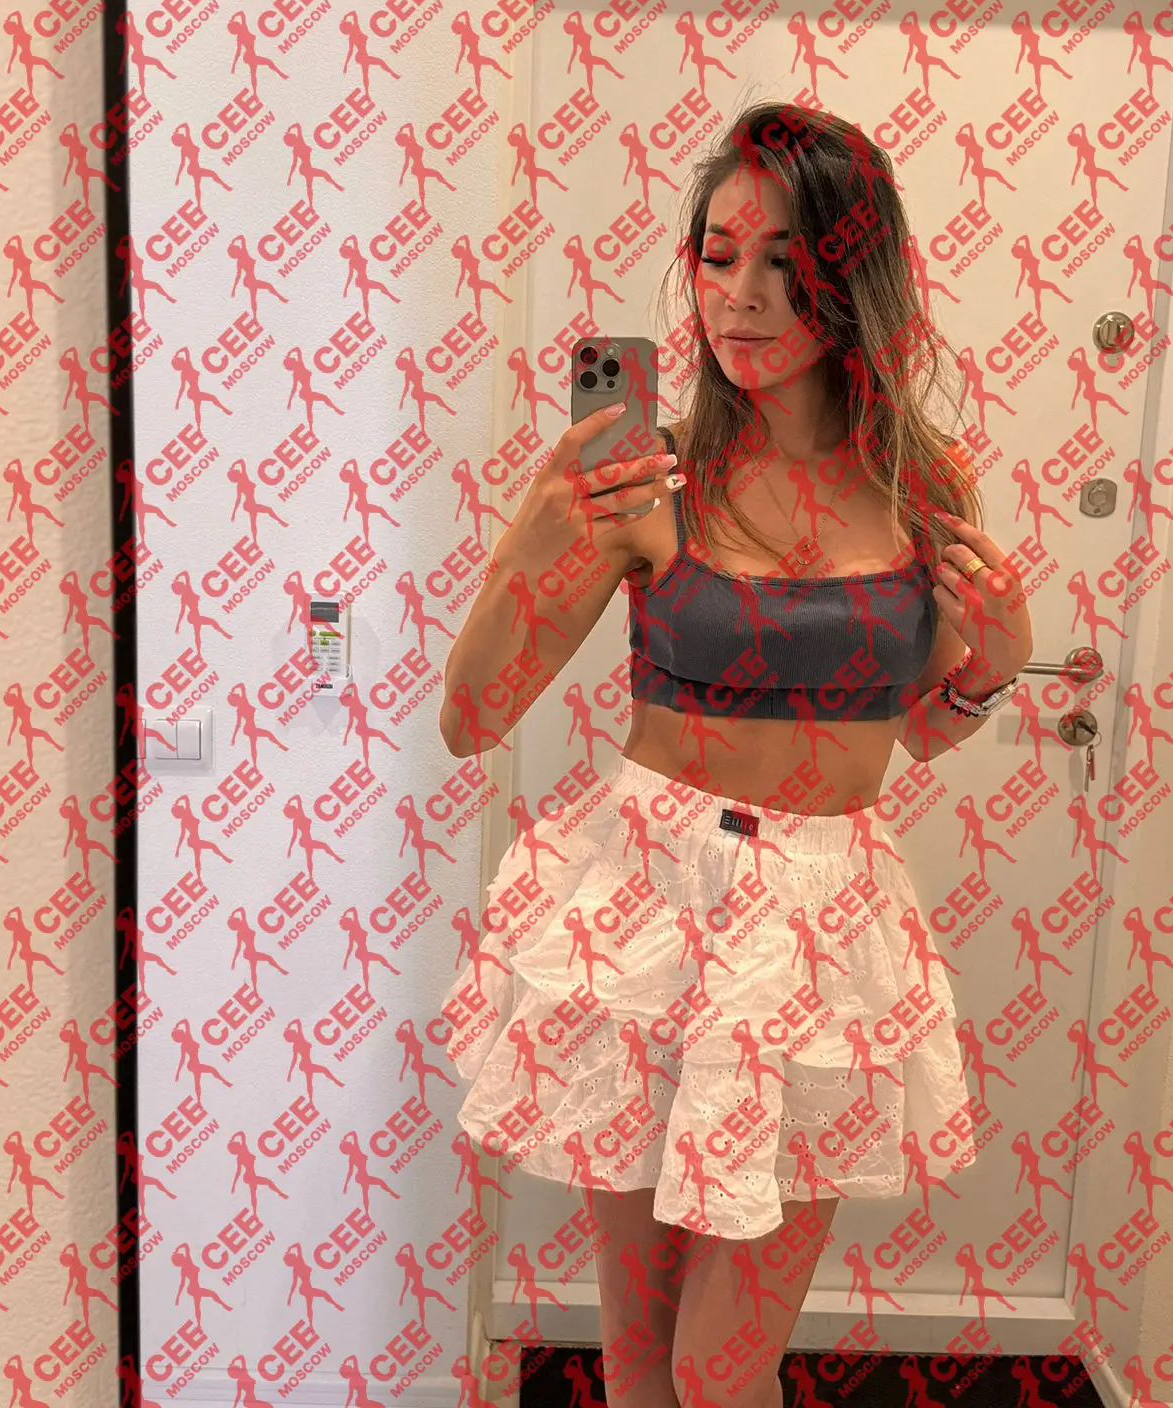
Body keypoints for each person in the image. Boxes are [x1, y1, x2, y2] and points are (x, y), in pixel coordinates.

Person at [436, 101, 1033, 1408]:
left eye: (784, 262)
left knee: (720, 1369)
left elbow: (915, 731)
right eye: (717, 256)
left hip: (819, 926)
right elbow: (470, 720)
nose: (741, 297)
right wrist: (535, 532)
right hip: (645, 906)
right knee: (641, 1360)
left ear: (854, 278)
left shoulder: (925, 485)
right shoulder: (648, 477)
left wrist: (993, 666)